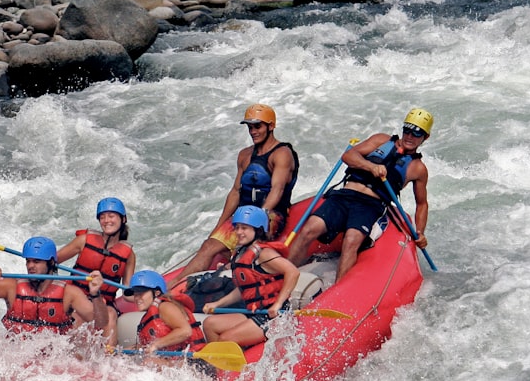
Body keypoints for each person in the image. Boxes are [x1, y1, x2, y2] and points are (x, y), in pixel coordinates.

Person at [286, 108, 433, 281]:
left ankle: (336, 295)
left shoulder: (418, 168)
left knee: (352, 240)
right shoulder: (381, 140)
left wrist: (420, 232)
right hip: (345, 195)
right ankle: (283, 276)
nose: (410, 136)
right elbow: (349, 155)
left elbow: (422, 204)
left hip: (370, 205)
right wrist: (371, 167)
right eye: (407, 130)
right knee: (310, 228)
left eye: (416, 133)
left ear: (425, 137)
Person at [175, 104, 298, 283]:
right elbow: (235, 192)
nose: (253, 131)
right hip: (243, 214)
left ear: (271, 126)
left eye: (258, 126)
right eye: (250, 127)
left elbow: (277, 189)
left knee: (244, 250)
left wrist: (258, 218)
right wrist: (219, 225)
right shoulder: (245, 155)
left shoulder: (282, 154)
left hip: (270, 216)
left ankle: (234, 265)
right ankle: (171, 288)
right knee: (208, 246)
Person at [0, 236, 107, 341]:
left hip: (52, 359)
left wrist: (95, 294)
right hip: (16, 353)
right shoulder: (11, 286)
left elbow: (100, 323)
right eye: (28, 261)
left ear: (51, 263)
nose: (30, 266)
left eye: (37, 261)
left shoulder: (69, 293)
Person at [200, 206, 301, 349]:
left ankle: (228, 368)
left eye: (244, 228)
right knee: (210, 324)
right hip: (254, 311)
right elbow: (245, 289)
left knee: (225, 339)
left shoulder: (264, 253)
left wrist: (278, 304)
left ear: (258, 230)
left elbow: (293, 272)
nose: (239, 232)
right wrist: (217, 304)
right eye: (237, 228)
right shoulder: (241, 253)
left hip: (273, 316)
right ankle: (221, 369)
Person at [57, 197, 136, 347]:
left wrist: (149, 296)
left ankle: (108, 359)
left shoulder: (128, 254)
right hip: (75, 298)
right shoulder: (84, 240)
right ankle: (72, 359)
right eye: (102, 217)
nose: (106, 220)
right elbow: (52, 261)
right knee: (78, 317)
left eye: (111, 216)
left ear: (123, 219)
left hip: (103, 302)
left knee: (111, 314)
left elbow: (127, 290)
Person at [124, 270, 207, 354]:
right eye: (135, 294)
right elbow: (145, 346)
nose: (137, 298)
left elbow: (185, 331)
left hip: (194, 358)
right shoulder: (150, 314)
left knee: (147, 362)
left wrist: (156, 345)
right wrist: (120, 351)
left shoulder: (165, 307)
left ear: (157, 293)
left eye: (141, 293)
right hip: (175, 360)